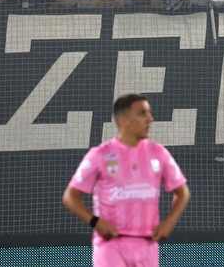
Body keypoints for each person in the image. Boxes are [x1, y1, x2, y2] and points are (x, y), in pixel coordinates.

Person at [63, 93, 190, 267]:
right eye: (142, 113)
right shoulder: (100, 155)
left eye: (149, 113)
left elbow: (182, 192)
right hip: (111, 245)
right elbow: (70, 196)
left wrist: (170, 222)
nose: (150, 119)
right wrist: (95, 222)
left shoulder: (158, 153)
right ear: (124, 121)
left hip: (148, 244)